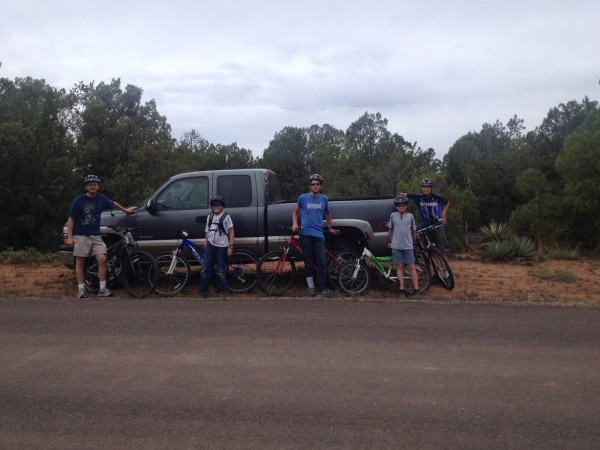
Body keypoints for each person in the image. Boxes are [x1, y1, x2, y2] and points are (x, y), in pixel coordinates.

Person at [67, 175, 137, 298]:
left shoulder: (101, 198)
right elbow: (71, 219)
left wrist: (126, 210)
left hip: (95, 235)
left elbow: (113, 203)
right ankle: (81, 289)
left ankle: (102, 288)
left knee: (102, 259)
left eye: (94, 184)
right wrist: (70, 237)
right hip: (81, 234)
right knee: (80, 262)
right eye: (90, 184)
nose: (92, 186)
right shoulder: (79, 200)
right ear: (86, 187)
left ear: (98, 186)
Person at [291, 174, 339, 296]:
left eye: (317, 184)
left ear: (320, 186)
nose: (315, 186)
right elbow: (295, 212)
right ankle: (311, 288)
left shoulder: (324, 199)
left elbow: (328, 213)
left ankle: (322, 288)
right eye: (313, 184)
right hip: (305, 234)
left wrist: (330, 228)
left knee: (322, 262)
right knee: (308, 262)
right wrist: (295, 223)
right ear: (310, 186)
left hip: (319, 235)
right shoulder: (303, 198)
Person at [401, 177, 450, 259]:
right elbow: (405, 195)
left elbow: (447, 203)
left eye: (428, 187)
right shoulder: (418, 197)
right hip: (426, 227)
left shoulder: (437, 197)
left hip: (437, 225)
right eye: (424, 186)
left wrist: (443, 214)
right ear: (421, 187)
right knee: (432, 252)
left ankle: (445, 272)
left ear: (431, 188)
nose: (426, 189)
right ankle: (436, 270)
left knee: (442, 251)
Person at [198, 195, 234, 296]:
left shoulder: (226, 217)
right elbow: (207, 232)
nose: (216, 207)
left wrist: (230, 247)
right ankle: (203, 291)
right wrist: (206, 243)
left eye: (218, 205)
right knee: (205, 269)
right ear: (212, 207)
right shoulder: (209, 216)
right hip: (210, 246)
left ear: (222, 207)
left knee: (221, 270)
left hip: (222, 247)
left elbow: (231, 232)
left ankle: (222, 290)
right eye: (214, 205)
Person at [388, 194, 419, 296]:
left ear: (406, 206)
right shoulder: (393, 216)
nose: (401, 206)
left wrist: (414, 242)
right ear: (396, 206)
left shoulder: (410, 216)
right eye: (399, 205)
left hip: (408, 246)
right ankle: (401, 289)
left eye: (403, 205)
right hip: (396, 246)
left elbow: (413, 230)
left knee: (411, 266)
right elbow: (390, 229)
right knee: (400, 266)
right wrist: (391, 241)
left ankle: (416, 289)